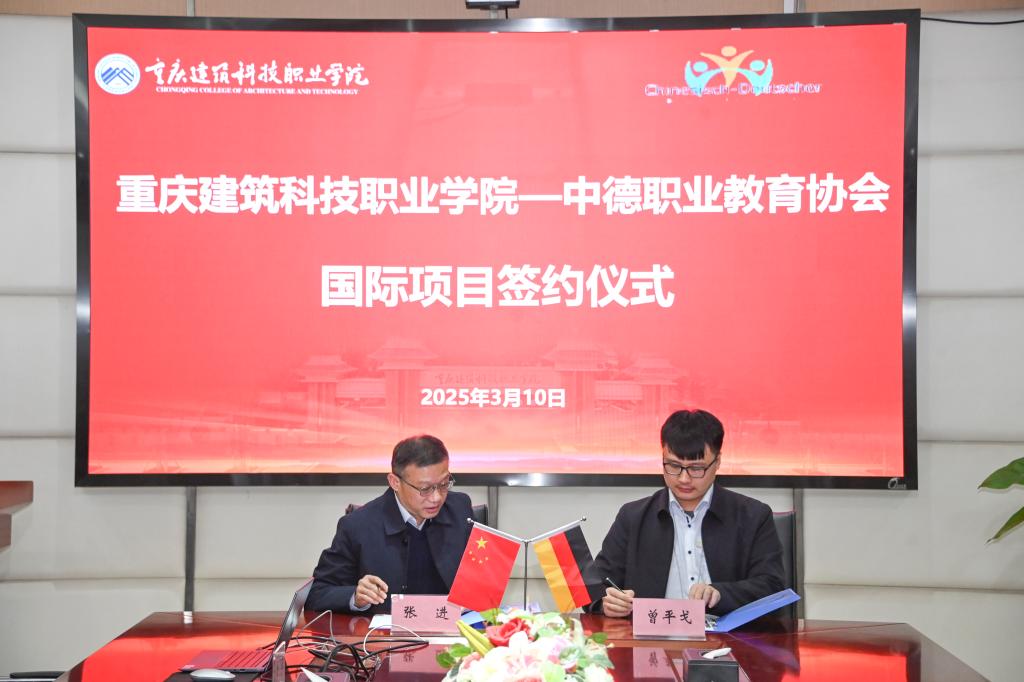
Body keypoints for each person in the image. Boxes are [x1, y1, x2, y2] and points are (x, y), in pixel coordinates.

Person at [585, 409, 784, 617]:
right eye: (674, 466)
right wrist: (606, 603)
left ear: (717, 462)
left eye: (696, 468)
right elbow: (596, 587)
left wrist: (721, 594)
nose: (684, 479)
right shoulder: (633, 517)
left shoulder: (753, 516)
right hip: (651, 635)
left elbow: (773, 587)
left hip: (726, 635)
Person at [306, 434, 473, 613]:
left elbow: (480, 575)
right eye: (424, 489)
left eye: (444, 484)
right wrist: (355, 596)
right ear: (395, 482)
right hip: (388, 629)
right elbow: (317, 594)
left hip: (450, 626)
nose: (436, 497)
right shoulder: (358, 526)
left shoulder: (460, 509)